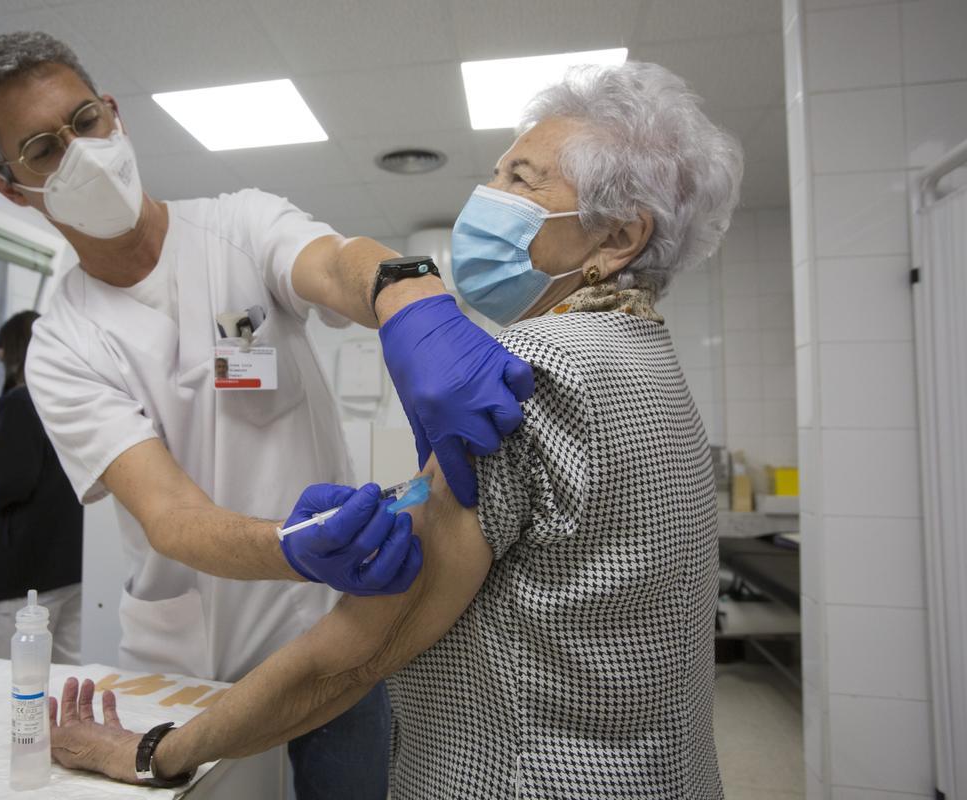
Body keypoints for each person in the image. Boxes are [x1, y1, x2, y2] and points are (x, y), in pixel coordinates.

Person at [45, 61, 742, 799]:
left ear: (618, 237)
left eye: (522, 180)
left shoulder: (527, 372)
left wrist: (153, 752)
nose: (487, 196)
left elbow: (354, 653)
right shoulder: (645, 356)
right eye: (497, 170)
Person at [0, 32, 533, 799]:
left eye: (84, 121)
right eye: (43, 149)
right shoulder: (64, 342)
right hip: (187, 663)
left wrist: (406, 293)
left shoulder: (238, 226)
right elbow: (171, 516)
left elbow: (331, 262)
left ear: (113, 114)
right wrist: (293, 545)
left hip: (336, 632)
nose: (81, 153)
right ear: (8, 185)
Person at [0, 310, 83, 663]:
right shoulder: (73, 402)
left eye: (3, 359)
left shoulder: (21, 403)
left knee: (9, 679)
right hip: (70, 565)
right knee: (63, 679)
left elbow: (9, 484)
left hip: (24, 571)